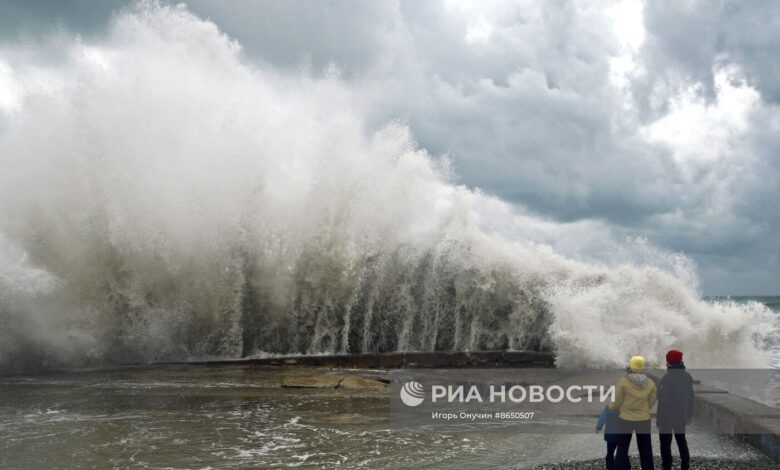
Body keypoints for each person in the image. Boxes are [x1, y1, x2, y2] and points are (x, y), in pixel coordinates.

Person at [609, 355, 657, 470]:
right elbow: (652, 400)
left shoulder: (623, 382)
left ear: (630, 367)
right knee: (645, 447)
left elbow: (616, 403)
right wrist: (644, 409)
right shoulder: (650, 383)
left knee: (622, 447)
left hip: (625, 419)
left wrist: (610, 407)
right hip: (644, 419)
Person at [656, 349, 694, 470]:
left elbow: (663, 402)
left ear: (669, 361)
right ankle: (685, 465)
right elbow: (691, 397)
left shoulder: (667, 379)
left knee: (665, 444)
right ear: (681, 361)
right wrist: (689, 415)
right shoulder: (687, 377)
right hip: (681, 416)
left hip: (667, 418)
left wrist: (659, 420)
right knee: (681, 441)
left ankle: (667, 466)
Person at [596, 404, 630, 470]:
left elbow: (603, 417)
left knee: (610, 452)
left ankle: (610, 467)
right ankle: (626, 467)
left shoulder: (609, 406)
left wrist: (598, 427)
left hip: (611, 435)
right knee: (623, 452)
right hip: (622, 435)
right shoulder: (625, 406)